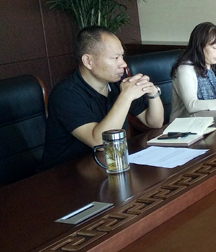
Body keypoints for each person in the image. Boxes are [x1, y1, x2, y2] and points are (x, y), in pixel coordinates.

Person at [41, 26, 165, 170]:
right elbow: (100, 143)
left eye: (122, 56)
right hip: (65, 174)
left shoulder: (118, 82)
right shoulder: (66, 94)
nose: (123, 64)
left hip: (108, 164)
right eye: (115, 58)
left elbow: (155, 123)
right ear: (88, 61)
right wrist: (126, 96)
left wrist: (153, 93)